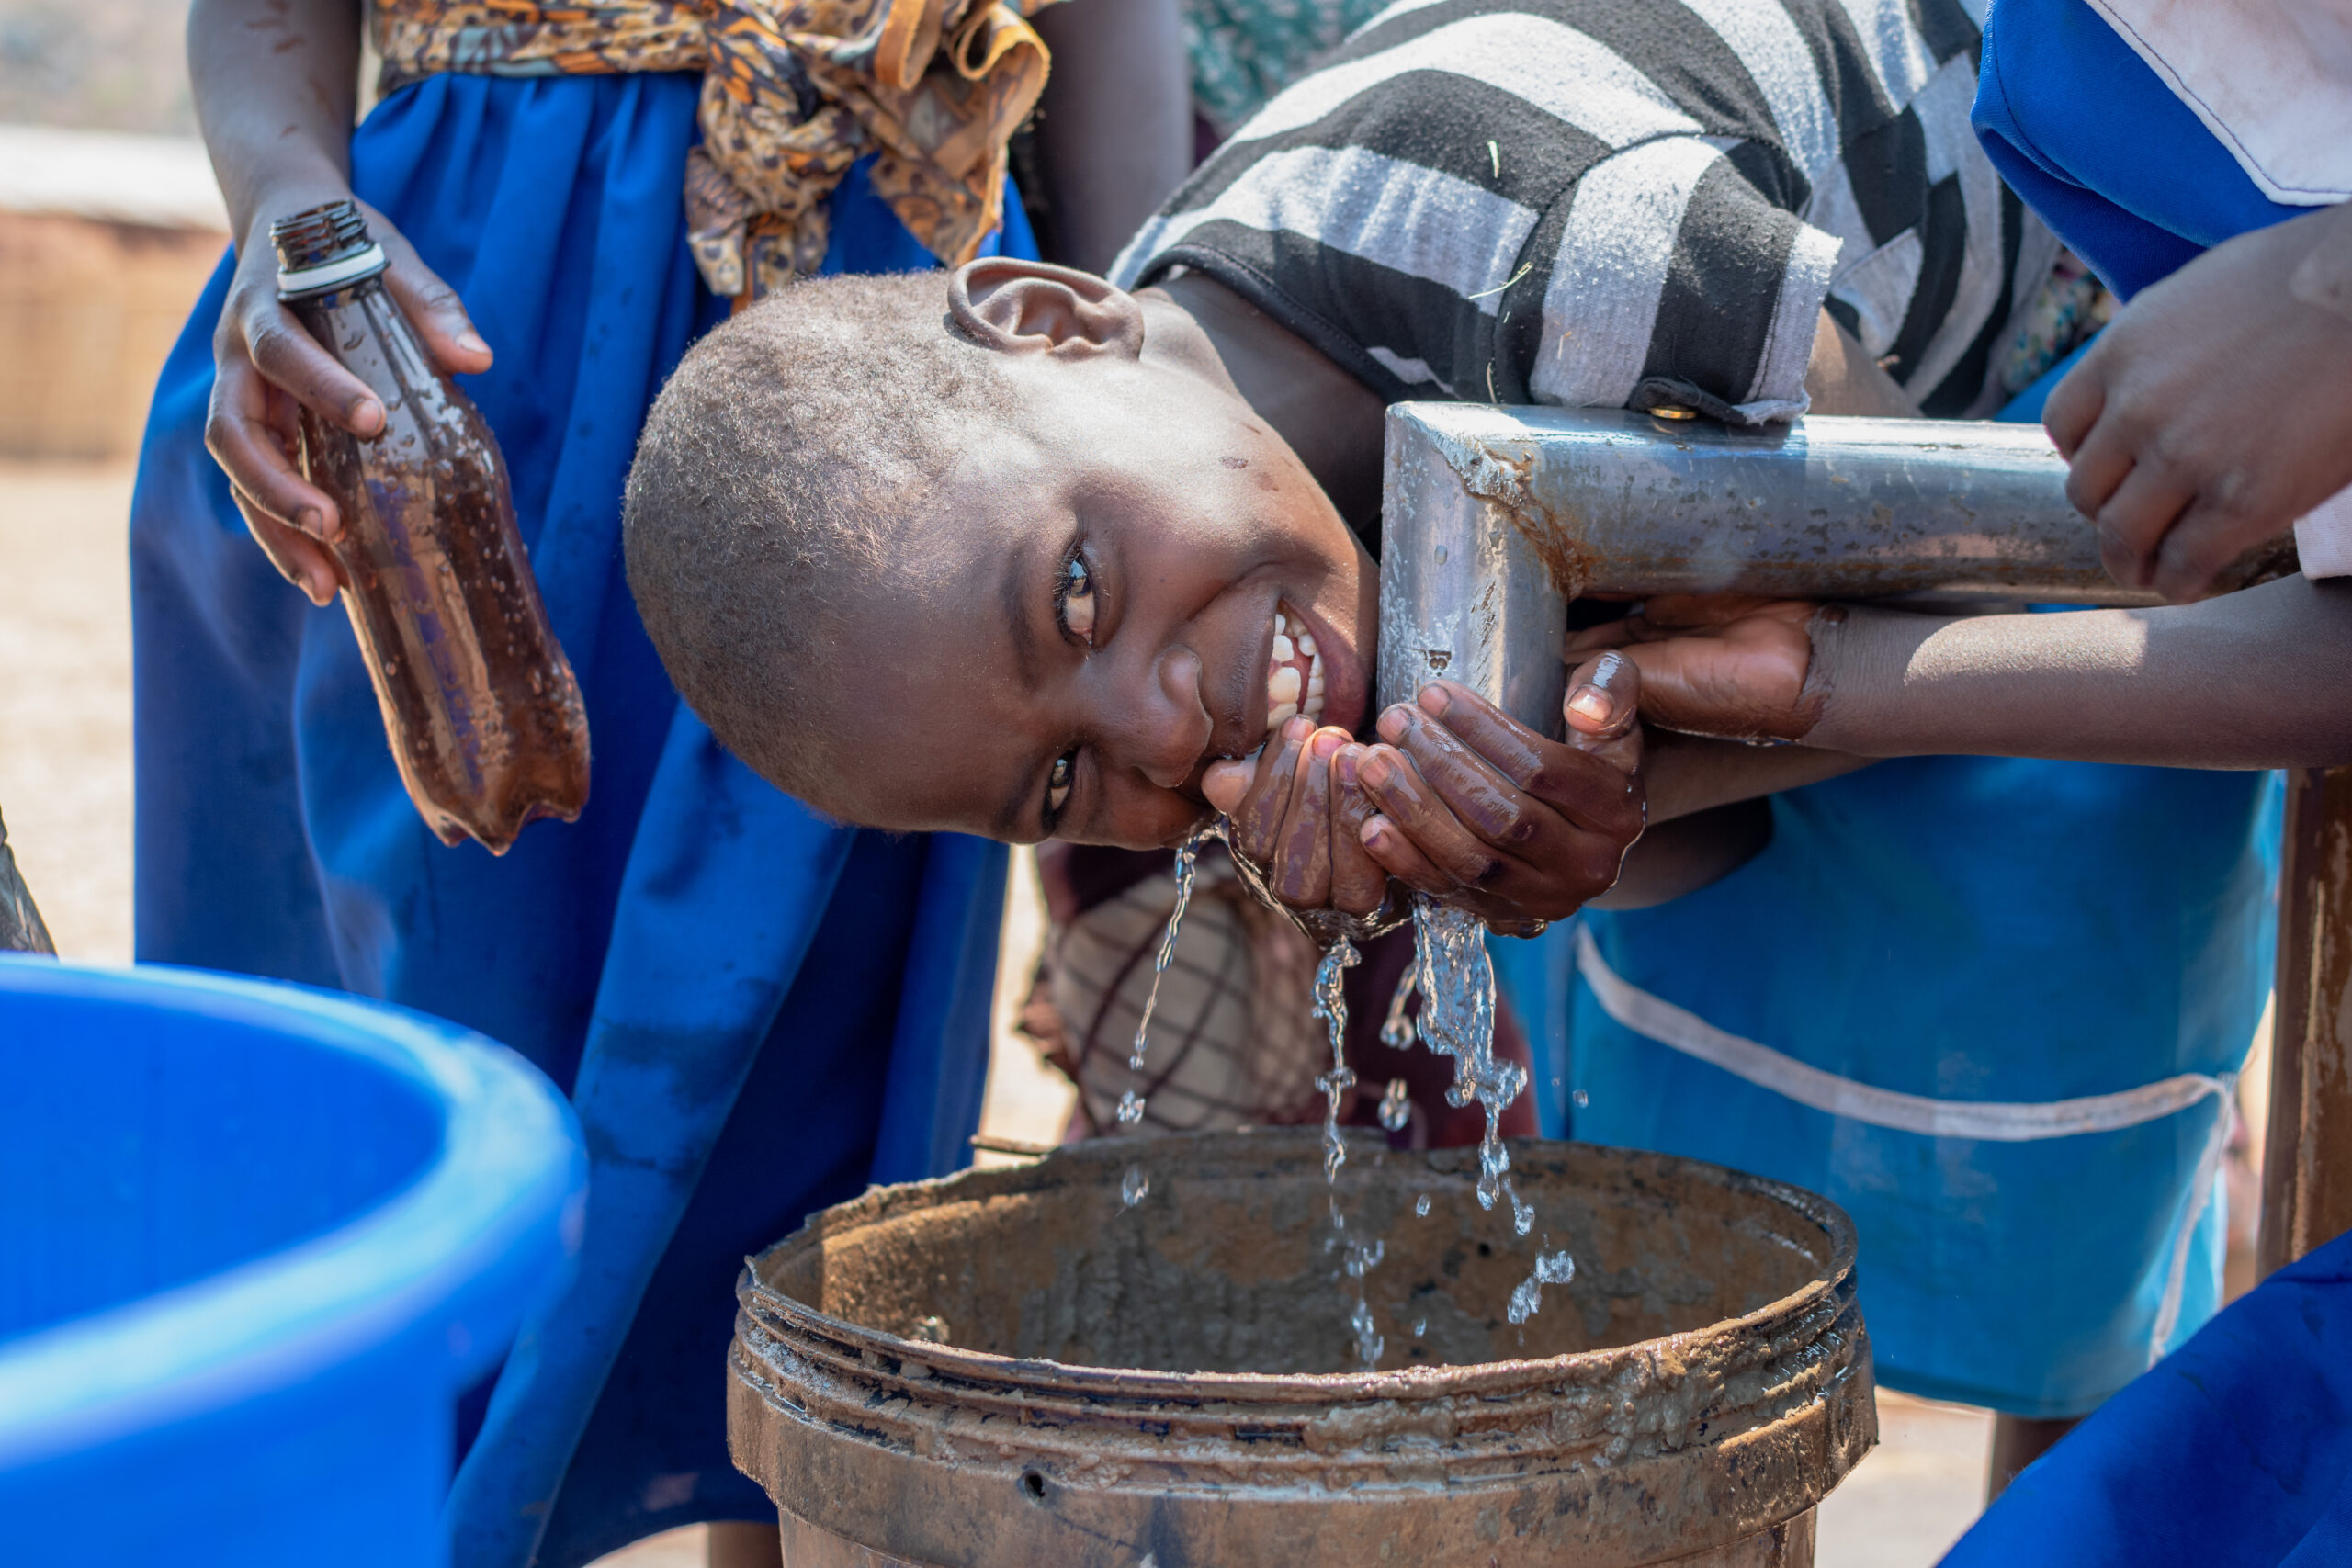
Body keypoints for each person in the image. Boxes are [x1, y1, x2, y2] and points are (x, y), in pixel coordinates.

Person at [616, 0, 2254, 1466]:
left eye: (1076, 596)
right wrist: (1544, 830)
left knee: (2078, 1012)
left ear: (1059, 317)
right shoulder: (1205, 444)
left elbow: (1925, 608)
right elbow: (1716, 842)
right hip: (1809, 502)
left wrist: (1614, 759)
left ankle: (2111, 1458)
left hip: (2114, 253)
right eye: (1060, 784)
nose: (1160, 728)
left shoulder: (1577, 247)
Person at [132, 2, 1130, 1562]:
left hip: (906, 409)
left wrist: (1147, 382)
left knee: (799, 1194)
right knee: (427, 1143)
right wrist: (284, 208)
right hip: (439, 341)